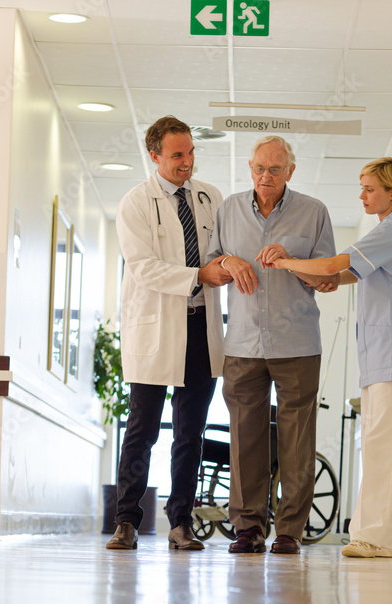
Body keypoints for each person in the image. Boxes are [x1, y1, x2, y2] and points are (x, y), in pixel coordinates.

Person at [264, 157, 392, 558]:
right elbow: (337, 277)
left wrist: (286, 260)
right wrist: (309, 274)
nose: (362, 195)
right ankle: (387, 537)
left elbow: (331, 265)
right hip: (384, 354)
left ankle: (371, 536)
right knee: (386, 446)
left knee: (380, 444)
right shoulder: (386, 233)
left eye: (370, 189)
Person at [206, 136, 338, 555]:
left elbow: (328, 279)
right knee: (245, 437)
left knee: (297, 439)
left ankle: (289, 531)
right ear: (250, 168)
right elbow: (209, 267)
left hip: (297, 342)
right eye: (259, 168)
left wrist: (292, 261)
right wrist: (228, 261)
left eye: (275, 170)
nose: (266, 176)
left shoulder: (313, 212)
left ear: (290, 172)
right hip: (243, 342)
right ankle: (248, 528)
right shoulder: (228, 210)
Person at [107, 116, 232, 551]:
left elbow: (225, 253)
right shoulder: (136, 202)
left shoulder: (210, 197)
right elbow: (142, 267)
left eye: (191, 153)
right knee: (142, 428)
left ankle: (181, 522)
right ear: (155, 155)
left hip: (200, 325)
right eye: (177, 155)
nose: (187, 162)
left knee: (190, 431)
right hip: (157, 327)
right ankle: (126, 521)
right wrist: (199, 273)